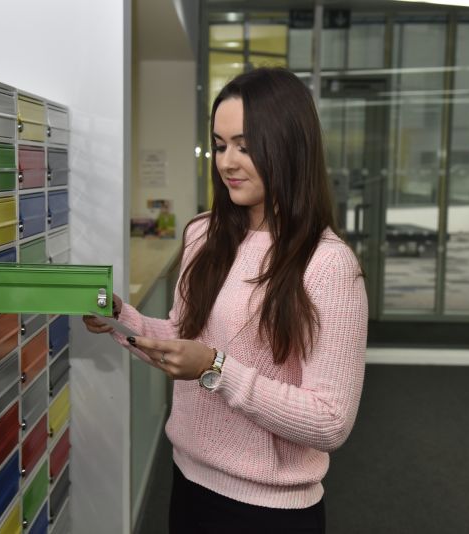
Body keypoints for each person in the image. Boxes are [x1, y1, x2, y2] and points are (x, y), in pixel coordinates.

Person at [83, 67, 367, 534]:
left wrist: (217, 370)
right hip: (189, 481)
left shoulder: (328, 264)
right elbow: (184, 338)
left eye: (246, 145)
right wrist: (123, 319)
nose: (227, 162)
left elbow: (330, 422)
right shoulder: (203, 233)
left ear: (290, 147)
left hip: (269, 512)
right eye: (219, 144)